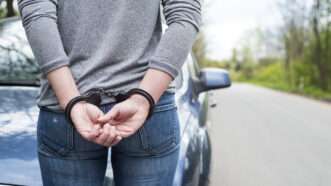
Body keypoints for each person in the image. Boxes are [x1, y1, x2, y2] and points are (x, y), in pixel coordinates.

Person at [17, 0, 201, 185]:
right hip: (148, 107)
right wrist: (143, 99)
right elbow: (185, 13)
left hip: (67, 107)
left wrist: (72, 101)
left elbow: (37, 15)